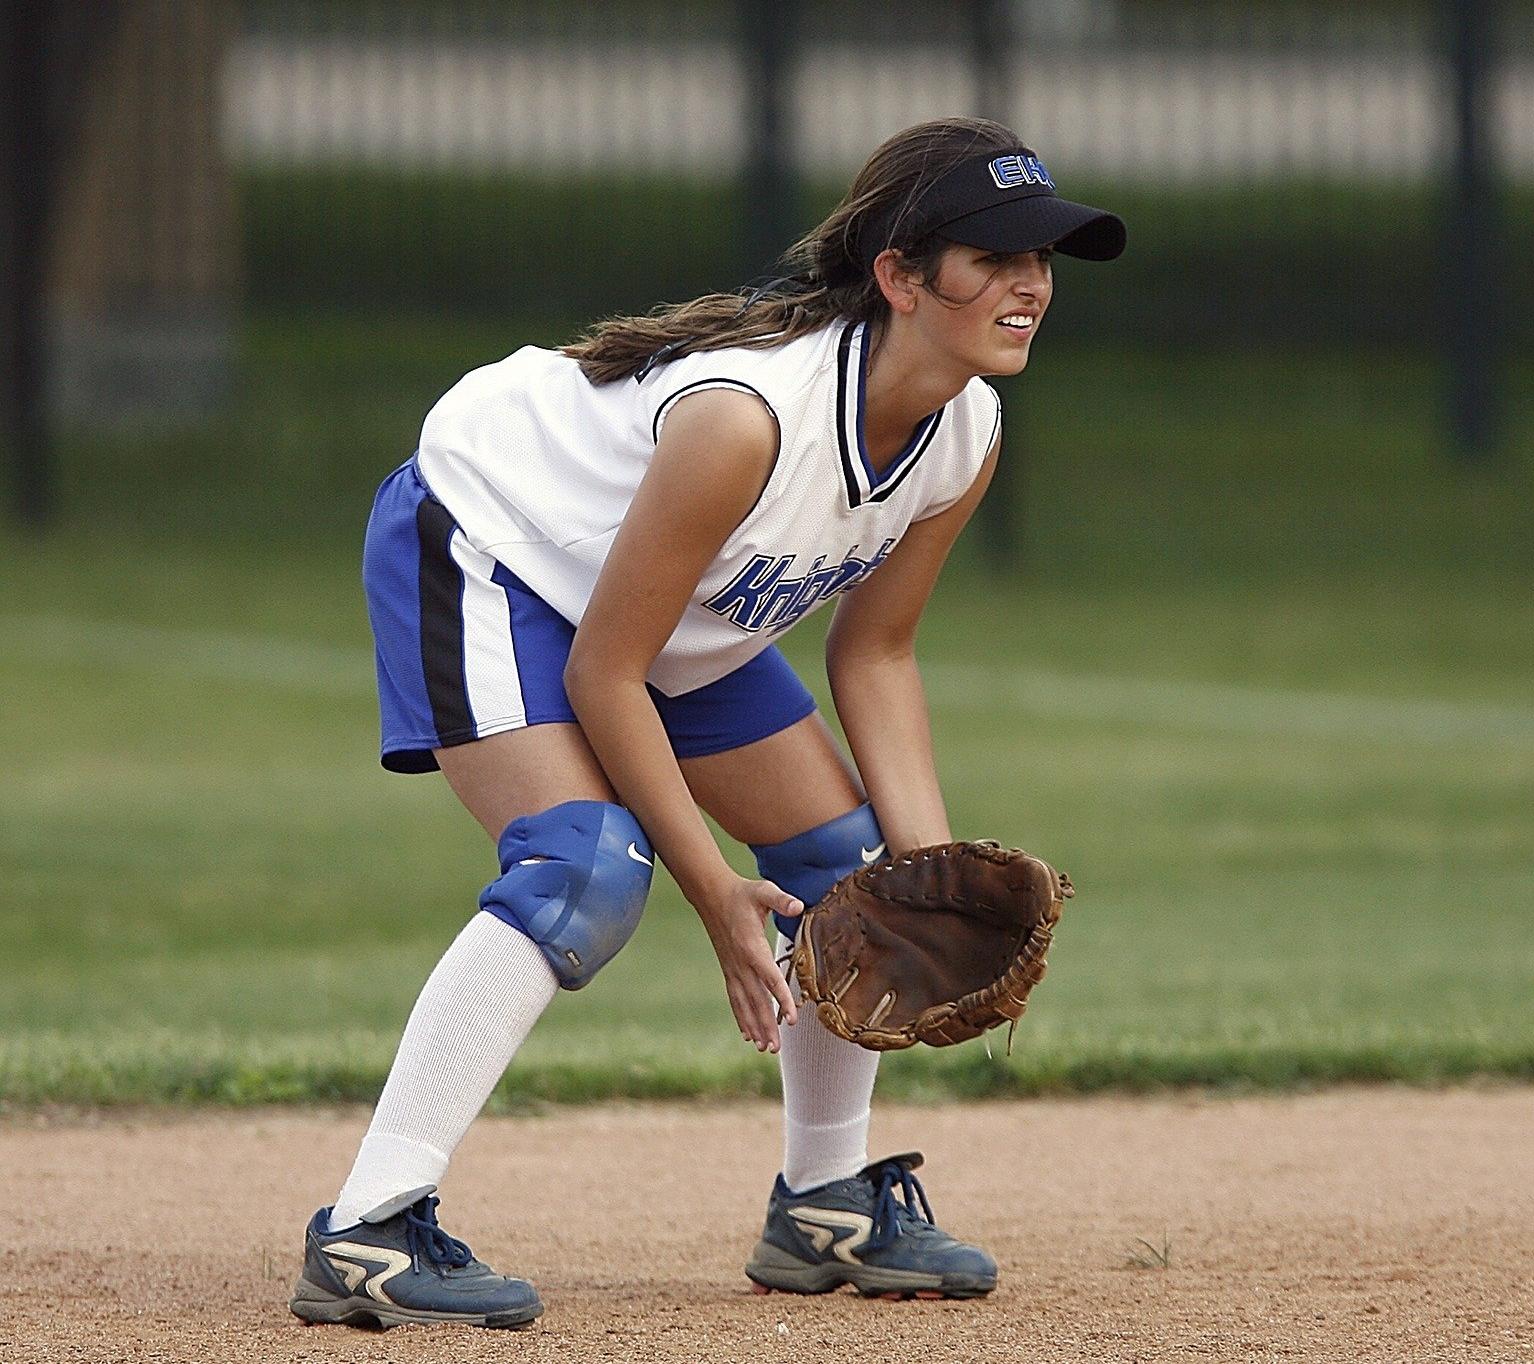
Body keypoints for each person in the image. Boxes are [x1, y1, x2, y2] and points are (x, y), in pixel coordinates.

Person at [288, 117, 1124, 1330]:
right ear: (899, 275)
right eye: (993, 256)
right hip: (498, 545)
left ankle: (823, 1202)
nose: (1030, 284)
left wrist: (926, 867)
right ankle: (367, 1228)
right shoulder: (749, 419)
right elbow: (606, 673)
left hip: (670, 609)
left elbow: (876, 651)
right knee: (585, 866)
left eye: (1043, 257)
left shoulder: (966, 432)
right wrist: (714, 890)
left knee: (850, 872)